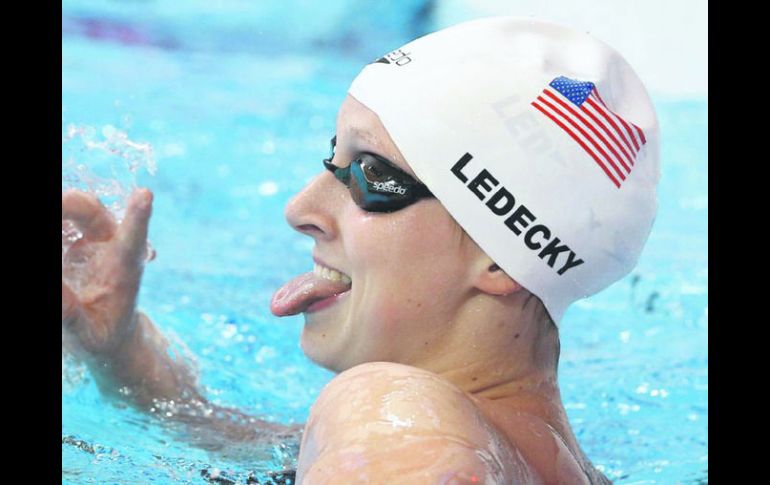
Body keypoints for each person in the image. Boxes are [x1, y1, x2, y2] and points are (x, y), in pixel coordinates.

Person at [62, 16, 659, 484]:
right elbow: (256, 448)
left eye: (373, 174)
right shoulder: (540, 458)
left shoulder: (388, 406)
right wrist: (120, 350)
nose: (299, 209)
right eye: (334, 157)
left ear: (500, 256)